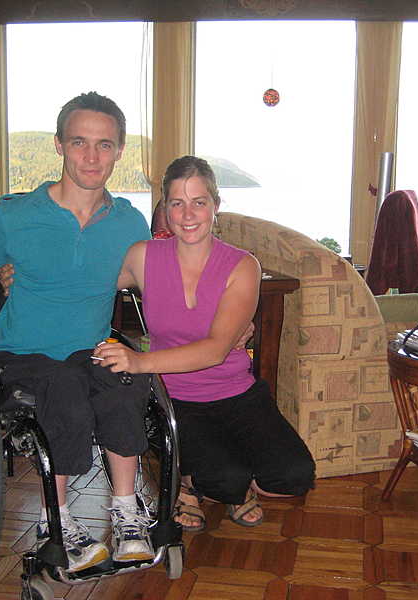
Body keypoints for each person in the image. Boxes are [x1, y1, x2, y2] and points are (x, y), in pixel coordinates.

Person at [0, 91, 154, 571]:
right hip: (23, 351)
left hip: (90, 347)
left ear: (120, 150)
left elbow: (148, 283)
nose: (91, 156)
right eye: (79, 142)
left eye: (104, 144)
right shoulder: (14, 217)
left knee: (127, 381)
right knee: (66, 389)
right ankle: (53, 521)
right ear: (59, 145)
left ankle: (125, 512)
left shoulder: (128, 222)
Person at [94, 155, 315, 530]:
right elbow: (84, 283)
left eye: (199, 202)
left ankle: (226, 480)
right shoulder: (142, 257)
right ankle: (191, 487)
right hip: (176, 397)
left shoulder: (243, 265)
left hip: (237, 392)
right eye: (176, 203)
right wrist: (20, 272)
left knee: (295, 476)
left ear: (216, 205)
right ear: (164, 209)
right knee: (225, 479)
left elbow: (215, 350)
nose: (187, 214)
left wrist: (139, 360)